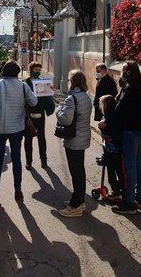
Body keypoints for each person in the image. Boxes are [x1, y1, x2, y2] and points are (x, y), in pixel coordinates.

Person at [0, 60, 37, 202]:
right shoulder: (23, 86)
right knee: (17, 158)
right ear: (17, 72)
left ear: (4, 71)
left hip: (0, 128)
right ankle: (18, 190)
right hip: (17, 127)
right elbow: (34, 102)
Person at [112, 60, 141, 215]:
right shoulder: (140, 88)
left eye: (122, 70)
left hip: (129, 132)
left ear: (127, 72)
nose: (120, 73)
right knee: (137, 165)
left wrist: (118, 94)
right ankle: (138, 198)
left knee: (130, 168)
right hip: (138, 132)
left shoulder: (129, 90)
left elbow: (119, 110)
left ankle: (129, 202)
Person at [55, 69, 93, 217]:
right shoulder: (85, 96)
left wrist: (59, 108)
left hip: (74, 139)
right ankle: (79, 200)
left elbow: (66, 119)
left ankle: (75, 205)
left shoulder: (72, 98)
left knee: (76, 172)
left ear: (73, 82)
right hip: (83, 137)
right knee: (79, 171)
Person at [23, 61, 55, 170]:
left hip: (40, 114)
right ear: (31, 70)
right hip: (28, 115)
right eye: (36, 70)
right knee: (28, 138)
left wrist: (51, 92)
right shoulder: (25, 83)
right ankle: (29, 161)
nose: (37, 72)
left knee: (42, 138)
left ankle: (44, 161)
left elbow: (48, 99)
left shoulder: (43, 82)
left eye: (39, 70)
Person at [97, 94, 124, 201]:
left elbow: (102, 126)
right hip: (114, 149)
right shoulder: (115, 115)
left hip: (112, 150)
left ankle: (116, 191)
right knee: (118, 171)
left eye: (101, 104)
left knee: (112, 172)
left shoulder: (109, 117)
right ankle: (120, 190)